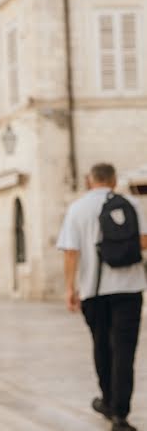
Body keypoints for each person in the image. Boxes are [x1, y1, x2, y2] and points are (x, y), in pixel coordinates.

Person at [57, 163, 146, 431]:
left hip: (93, 291)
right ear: (114, 180)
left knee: (101, 346)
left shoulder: (78, 208)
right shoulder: (131, 203)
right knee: (124, 351)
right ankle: (120, 413)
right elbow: (143, 241)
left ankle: (107, 400)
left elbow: (71, 252)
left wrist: (70, 288)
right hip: (129, 288)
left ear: (90, 180)